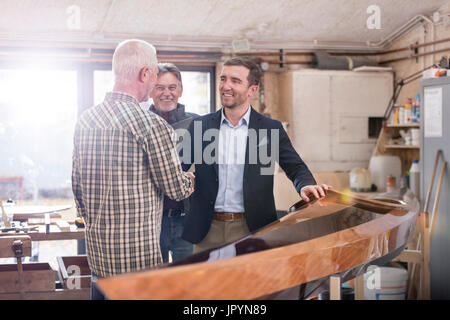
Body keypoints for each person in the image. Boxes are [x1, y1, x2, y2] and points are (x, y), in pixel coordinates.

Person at [71, 39, 195, 299]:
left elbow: (77, 189)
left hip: (99, 262)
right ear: (145, 73)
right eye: (155, 76)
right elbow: (176, 189)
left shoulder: (85, 121)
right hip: (138, 269)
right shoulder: (150, 125)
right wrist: (190, 177)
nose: (155, 86)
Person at [181, 56, 329, 253]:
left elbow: (295, 167)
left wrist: (306, 185)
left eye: (235, 81)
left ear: (252, 89)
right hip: (207, 229)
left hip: (253, 228)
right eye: (223, 79)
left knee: (251, 283)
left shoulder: (270, 129)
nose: (226, 86)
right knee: (205, 284)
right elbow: (176, 167)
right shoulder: (200, 126)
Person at [149, 63, 198, 263]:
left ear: (180, 90)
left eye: (172, 87)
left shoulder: (198, 124)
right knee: (155, 287)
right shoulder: (141, 123)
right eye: (160, 87)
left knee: (185, 286)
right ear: (151, 90)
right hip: (151, 222)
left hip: (185, 220)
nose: (166, 93)